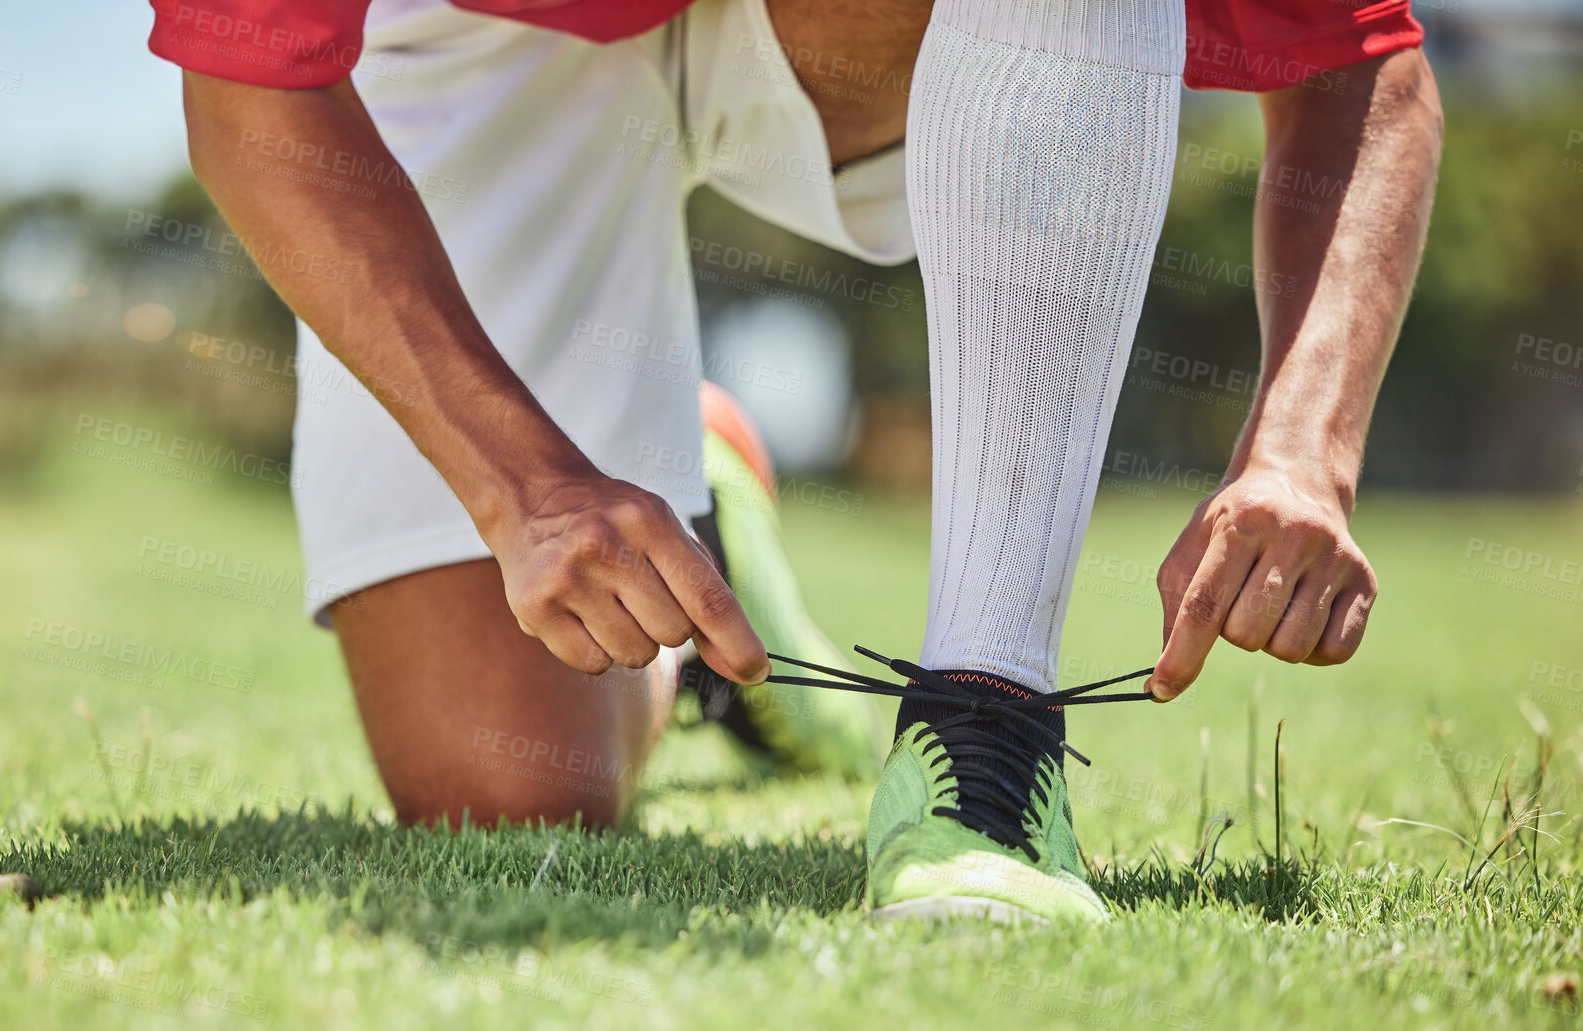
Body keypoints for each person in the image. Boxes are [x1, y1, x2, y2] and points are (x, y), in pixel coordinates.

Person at [148, 0, 1442, 923]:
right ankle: (710, 540)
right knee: (503, 783)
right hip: (491, 31)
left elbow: (1355, 61)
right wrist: (524, 484)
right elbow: (249, 83)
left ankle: (983, 739)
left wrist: (1298, 450)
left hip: (852, 31)